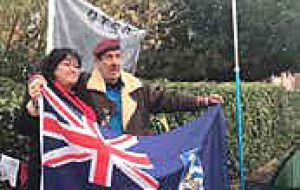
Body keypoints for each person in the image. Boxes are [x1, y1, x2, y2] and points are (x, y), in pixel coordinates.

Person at [75, 38, 224, 136]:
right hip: (102, 159)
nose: (115, 62)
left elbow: (168, 100)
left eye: (118, 56)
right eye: (109, 57)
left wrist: (202, 101)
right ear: (97, 62)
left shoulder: (135, 87)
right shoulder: (84, 86)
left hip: (136, 157)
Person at [15, 48, 88, 190]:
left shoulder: (84, 99)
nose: (73, 70)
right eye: (67, 64)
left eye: (77, 66)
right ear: (53, 68)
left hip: (76, 171)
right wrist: (35, 104)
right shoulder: (43, 92)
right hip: (46, 169)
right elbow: (23, 126)